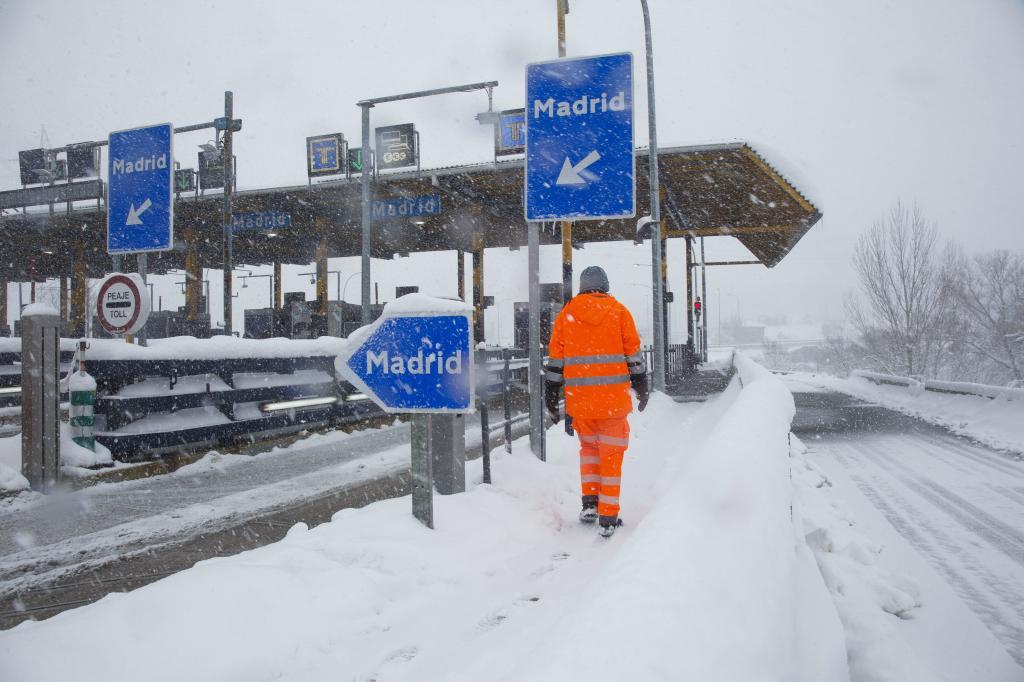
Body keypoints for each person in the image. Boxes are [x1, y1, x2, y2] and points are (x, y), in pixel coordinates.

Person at [544, 265, 649, 538]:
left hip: (581, 405)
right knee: (611, 458)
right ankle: (608, 516)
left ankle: (589, 505)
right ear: (605, 286)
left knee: (589, 452)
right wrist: (642, 385)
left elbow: (556, 360)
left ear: (581, 286)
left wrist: (552, 393)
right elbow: (633, 356)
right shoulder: (619, 312)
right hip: (613, 405)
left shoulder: (567, 315)